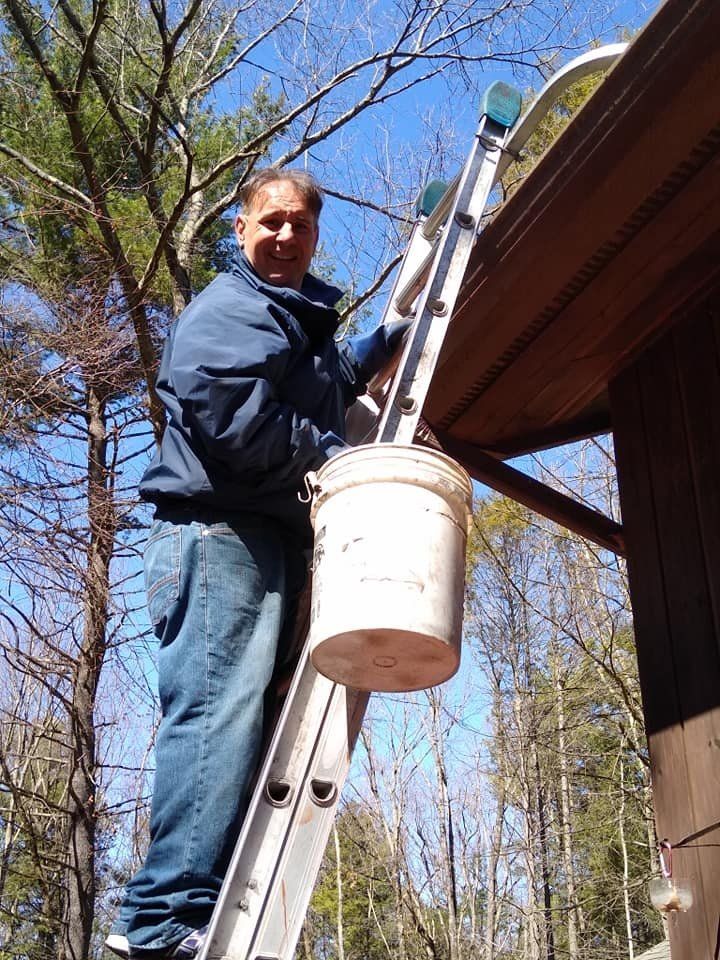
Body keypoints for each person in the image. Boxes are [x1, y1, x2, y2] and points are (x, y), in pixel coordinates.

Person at [107, 168, 408, 960]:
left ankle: (196, 910)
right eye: (268, 222)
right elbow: (230, 412)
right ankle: (162, 921)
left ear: (314, 237)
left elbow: (321, 382)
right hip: (219, 537)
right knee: (215, 719)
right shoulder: (234, 308)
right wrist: (340, 462)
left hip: (259, 544)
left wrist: (387, 340)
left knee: (243, 727)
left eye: (299, 226)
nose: (283, 235)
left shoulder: (286, 320)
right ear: (240, 230)